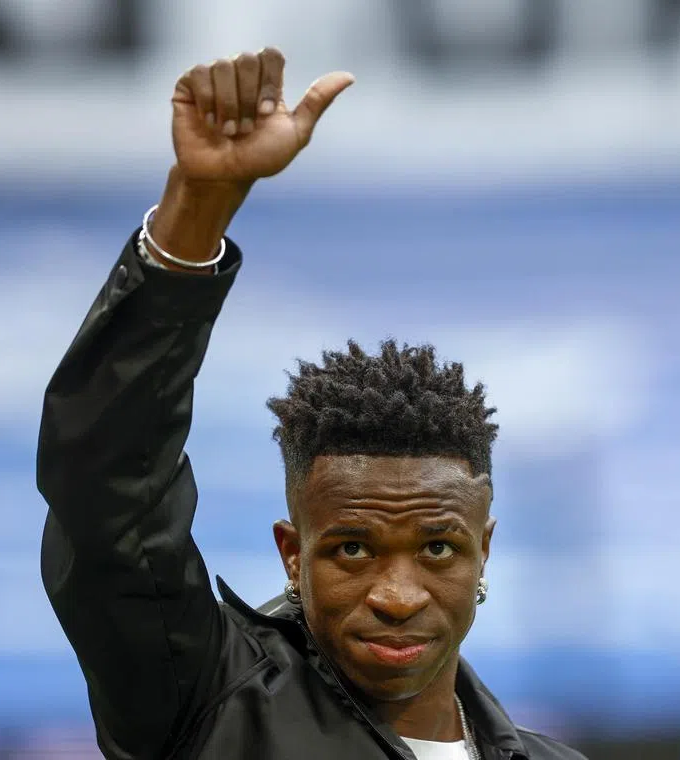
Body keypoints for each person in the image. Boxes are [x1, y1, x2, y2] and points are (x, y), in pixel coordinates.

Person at [36, 47, 587, 760]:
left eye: (438, 549)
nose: (397, 594)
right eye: (352, 548)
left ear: (483, 553)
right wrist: (194, 214)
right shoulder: (205, 701)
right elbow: (106, 496)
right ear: (293, 555)